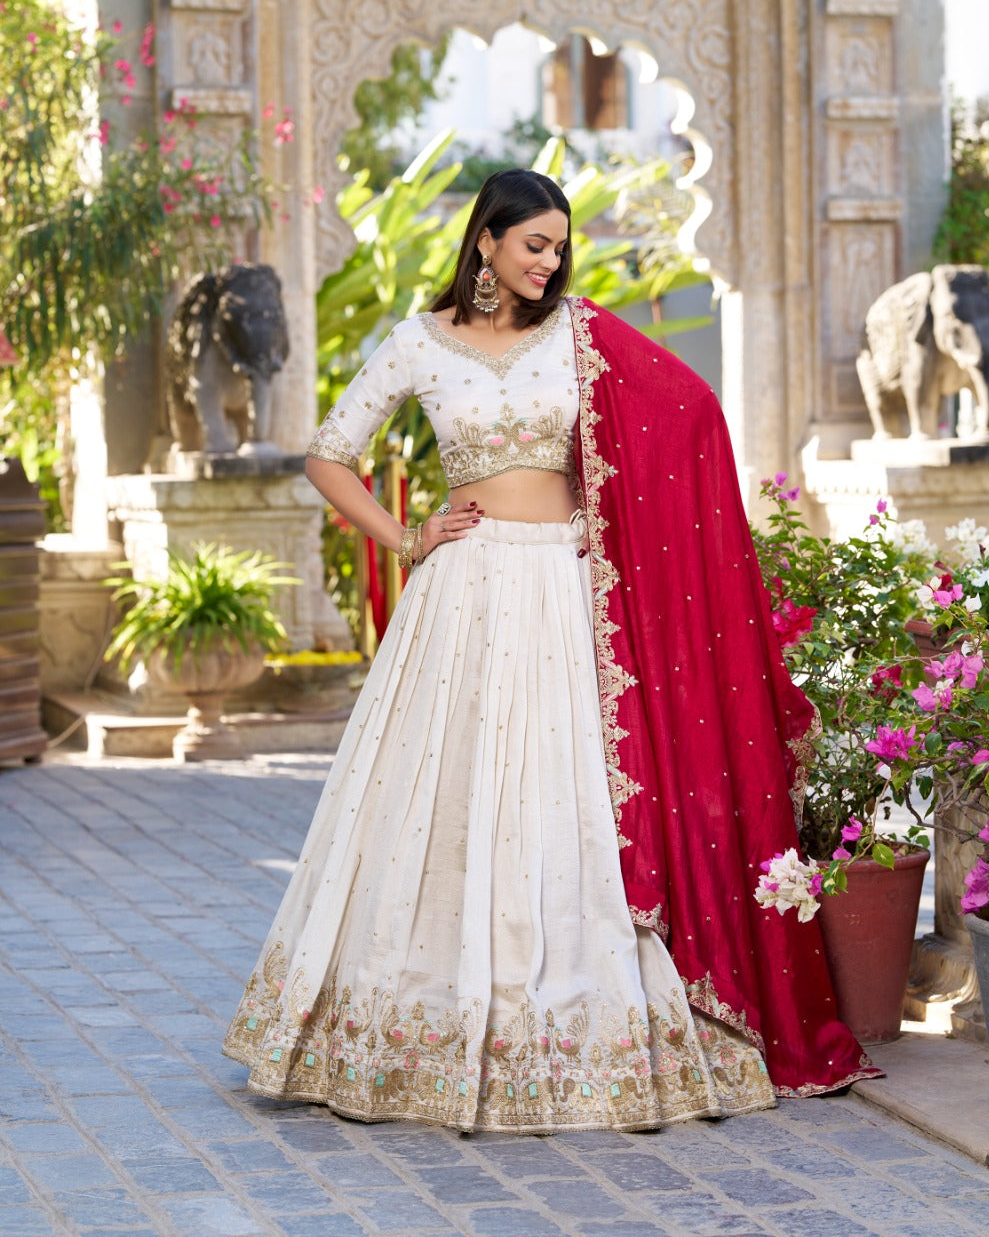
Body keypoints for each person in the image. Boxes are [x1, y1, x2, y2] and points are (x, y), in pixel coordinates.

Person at [223, 168, 879, 1133]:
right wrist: (407, 539)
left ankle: (604, 1016)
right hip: (465, 594)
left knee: (576, 797)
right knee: (447, 800)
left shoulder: (584, 336)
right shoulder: (419, 343)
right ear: (485, 241)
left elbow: (690, 414)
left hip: (572, 595)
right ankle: (412, 1027)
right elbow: (331, 453)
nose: (550, 262)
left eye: (559, 246)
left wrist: (619, 518)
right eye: (534, 243)